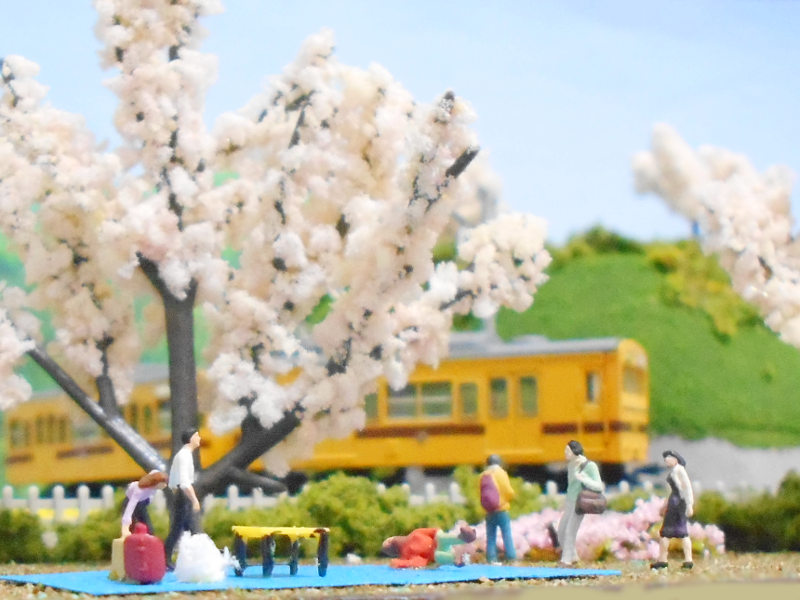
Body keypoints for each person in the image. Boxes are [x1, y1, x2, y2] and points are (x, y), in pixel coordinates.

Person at [556, 440, 604, 566]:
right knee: (561, 530)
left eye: (567, 451)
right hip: (570, 502)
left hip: (580, 503)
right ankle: (573, 556)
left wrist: (585, 479)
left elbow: (599, 486)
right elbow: (571, 486)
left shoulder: (589, 465)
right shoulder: (571, 465)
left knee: (570, 531)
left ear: (574, 451)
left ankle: (566, 560)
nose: (565, 453)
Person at [164, 428, 203, 570]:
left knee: (187, 529)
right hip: (184, 496)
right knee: (179, 529)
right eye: (197, 436)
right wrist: (194, 500)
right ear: (191, 438)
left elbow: (173, 480)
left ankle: (194, 557)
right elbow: (185, 482)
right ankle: (165, 558)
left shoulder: (183, 455)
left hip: (180, 494)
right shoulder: (184, 456)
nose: (199, 438)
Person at [651, 449, 695, 570]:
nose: (666, 460)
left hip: (679, 504)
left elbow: (687, 489)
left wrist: (690, 504)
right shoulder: (674, 472)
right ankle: (664, 559)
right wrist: (664, 505)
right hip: (673, 502)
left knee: (678, 531)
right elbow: (670, 491)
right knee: (670, 532)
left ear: (675, 459)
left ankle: (685, 559)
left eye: (668, 458)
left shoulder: (680, 471)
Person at [381, 524, 477, 568]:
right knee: (438, 556)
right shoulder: (406, 554)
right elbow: (416, 562)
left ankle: (464, 538)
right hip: (435, 554)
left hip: (437, 541)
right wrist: (398, 563)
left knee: (441, 537)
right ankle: (456, 559)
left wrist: (435, 532)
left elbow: (430, 532)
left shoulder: (415, 534)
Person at [480, 454, 517, 564]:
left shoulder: (483, 475)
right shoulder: (501, 473)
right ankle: (511, 556)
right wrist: (511, 497)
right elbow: (508, 491)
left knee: (490, 535)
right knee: (506, 533)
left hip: (489, 510)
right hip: (501, 509)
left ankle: (491, 557)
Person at [120, 470, 167, 538]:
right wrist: (125, 528)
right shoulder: (139, 490)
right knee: (133, 527)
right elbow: (130, 508)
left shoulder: (154, 480)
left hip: (142, 504)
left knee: (149, 528)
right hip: (130, 503)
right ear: (156, 482)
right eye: (162, 483)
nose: (165, 485)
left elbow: (154, 473)